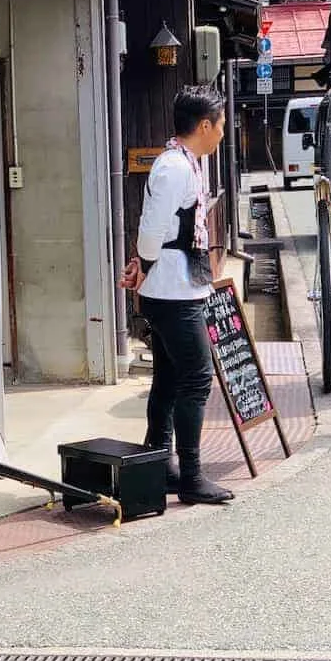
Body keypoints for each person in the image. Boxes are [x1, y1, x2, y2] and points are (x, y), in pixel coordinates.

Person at [120, 87, 234, 505]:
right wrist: (144, 263)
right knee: (196, 377)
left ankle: (159, 463)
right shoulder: (174, 169)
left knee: (169, 378)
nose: (222, 133)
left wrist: (142, 264)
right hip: (171, 290)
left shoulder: (183, 164)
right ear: (204, 125)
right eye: (220, 125)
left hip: (173, 284)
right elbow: (152, 228)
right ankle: (191, 475)